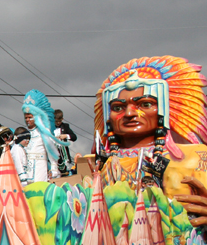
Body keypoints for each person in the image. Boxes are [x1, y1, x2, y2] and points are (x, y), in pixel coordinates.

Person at [93, 56, 207, 223]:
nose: (130, 113)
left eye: (145, 104)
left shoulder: (196, 156)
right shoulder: (96, 165)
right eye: (118, 107)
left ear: (168, 109)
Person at [22, 90, 64, 183]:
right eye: (26, 118)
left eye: (30, 117)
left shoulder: (44, 132)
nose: (28, 120)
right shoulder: (25, 133)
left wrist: (54, 168)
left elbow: (51, 152)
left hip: (40, 169)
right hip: (27, 173)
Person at [53, 109, 78, 175]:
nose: (58, 123)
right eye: (56, 121)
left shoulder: (65, 126)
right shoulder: (50, 127)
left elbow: (74, 137)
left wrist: (66, 136)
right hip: (54, 154)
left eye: (59, 121)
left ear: (62, 119)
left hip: (64, 156)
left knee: (65, 173)